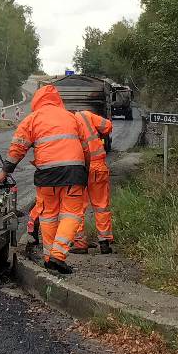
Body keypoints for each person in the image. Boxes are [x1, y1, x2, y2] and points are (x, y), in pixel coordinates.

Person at [0, 84, 91, 275]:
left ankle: (49, 258)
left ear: (37, 101)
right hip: (73, 172)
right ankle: (58, 255)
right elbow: (86, 148)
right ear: (58, 100)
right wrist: (85, 171)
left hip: (46, 175)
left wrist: (5, 171)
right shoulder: (71, 117)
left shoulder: (33, 119)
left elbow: (18, 147)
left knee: (48, 215)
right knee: (72, 215)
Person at [70, 108, 115, 255]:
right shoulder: (86, 115)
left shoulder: (65, 122)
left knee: (77, 207)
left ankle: (80, 243)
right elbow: (108, 126)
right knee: (101, 205)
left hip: (79, 168)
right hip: (97, 166)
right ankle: (105, 242)